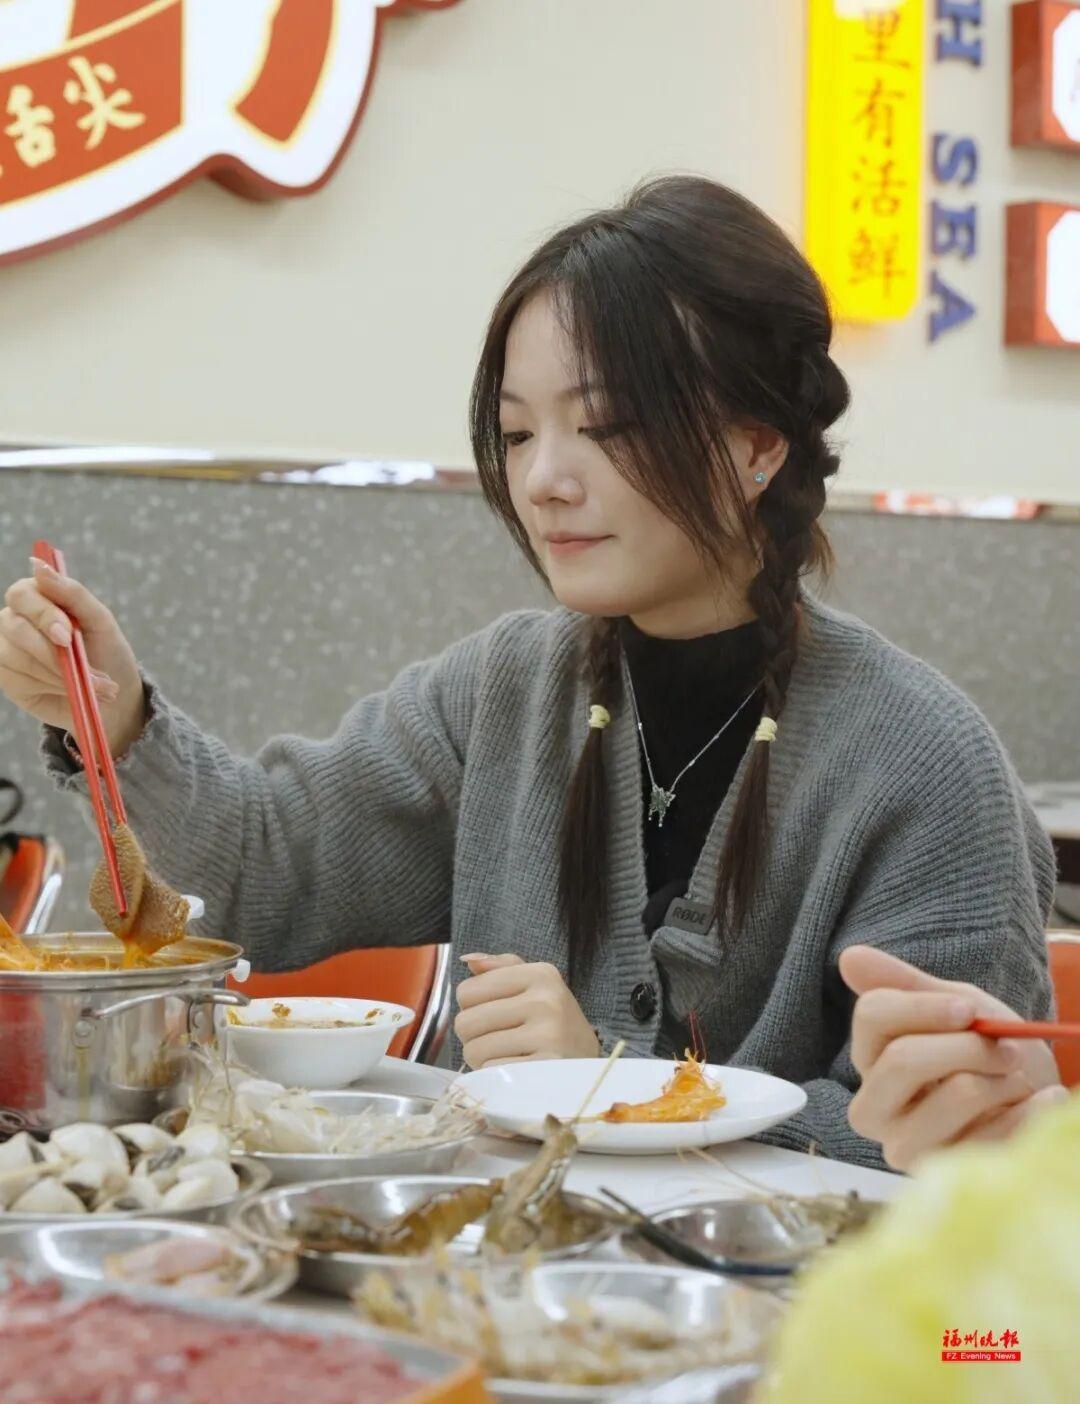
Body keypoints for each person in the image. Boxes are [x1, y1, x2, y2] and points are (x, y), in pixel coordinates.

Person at [0, 177, 1058, 1171]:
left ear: (756, 448)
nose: (544, 478)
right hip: (482, 1269)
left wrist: (613, 1086)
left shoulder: (924, 761)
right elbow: (262, 876)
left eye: (606, 426)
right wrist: (118, 718)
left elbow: (954, 1149)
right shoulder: (505, 688)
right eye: (516, 431)